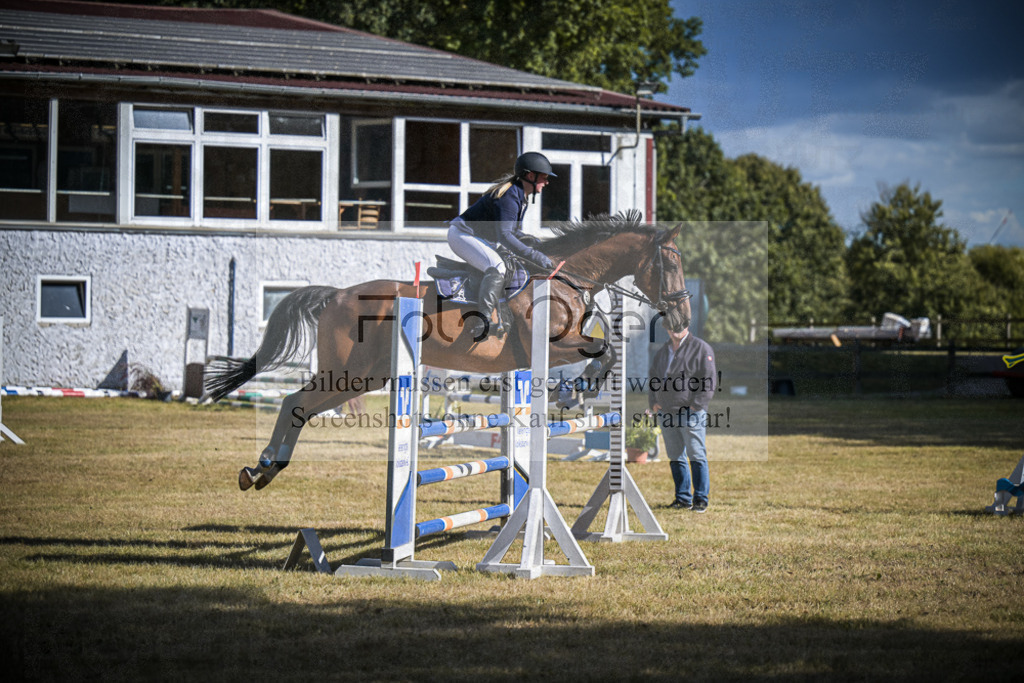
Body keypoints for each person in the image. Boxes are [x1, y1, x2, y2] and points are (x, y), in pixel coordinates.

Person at [447, 151, 556, 338]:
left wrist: (534, 243)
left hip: (476, 237)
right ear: (531, 176)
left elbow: (512, 232)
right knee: (497, 266)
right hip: (462, 235)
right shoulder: (509, 196)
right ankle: (483, 320)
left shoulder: (519, 196)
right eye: (544, 178)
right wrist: (534, 255)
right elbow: (505, 236)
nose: (546, 183)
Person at [648, 318, 716, 512]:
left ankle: (700, 499)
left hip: (690, 413)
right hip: (666, 413)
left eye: (679, 326)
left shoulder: (701, 348)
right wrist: (653, 403)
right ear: (667, 329)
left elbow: (709, 381)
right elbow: (653, 377)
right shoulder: (662, 351)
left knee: (696, 454)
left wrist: (696, 406)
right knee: (675, 456)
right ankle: (682, 498)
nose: (675, 330)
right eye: (671, 326)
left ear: (687, 326)